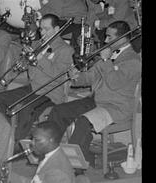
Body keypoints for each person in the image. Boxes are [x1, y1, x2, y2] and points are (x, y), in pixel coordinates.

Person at [47, 21, 141, 166]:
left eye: (109, 37)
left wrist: (105, 60)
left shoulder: (133, 60)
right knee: (59, 111)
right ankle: (50, 153)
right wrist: (75, 77)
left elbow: (114, 83)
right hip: (97, 101)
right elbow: (90, 77)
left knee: (83, 122)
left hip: (116, 107)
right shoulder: (109, 56)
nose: (105, 40)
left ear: (122, 39)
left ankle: (75, 166)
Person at [0, 14, 74, 141]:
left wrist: (38, 60)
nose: (42, 32)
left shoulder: (66, 50)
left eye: (46, 29)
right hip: (33, 88)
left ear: (57, 29)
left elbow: (58, 75)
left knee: (27, 109)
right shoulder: (37, 44)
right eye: (41, 29)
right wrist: (24, 61)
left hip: (50, 93)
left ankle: (17, 143)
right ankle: (5, 136)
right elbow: (29, 70)